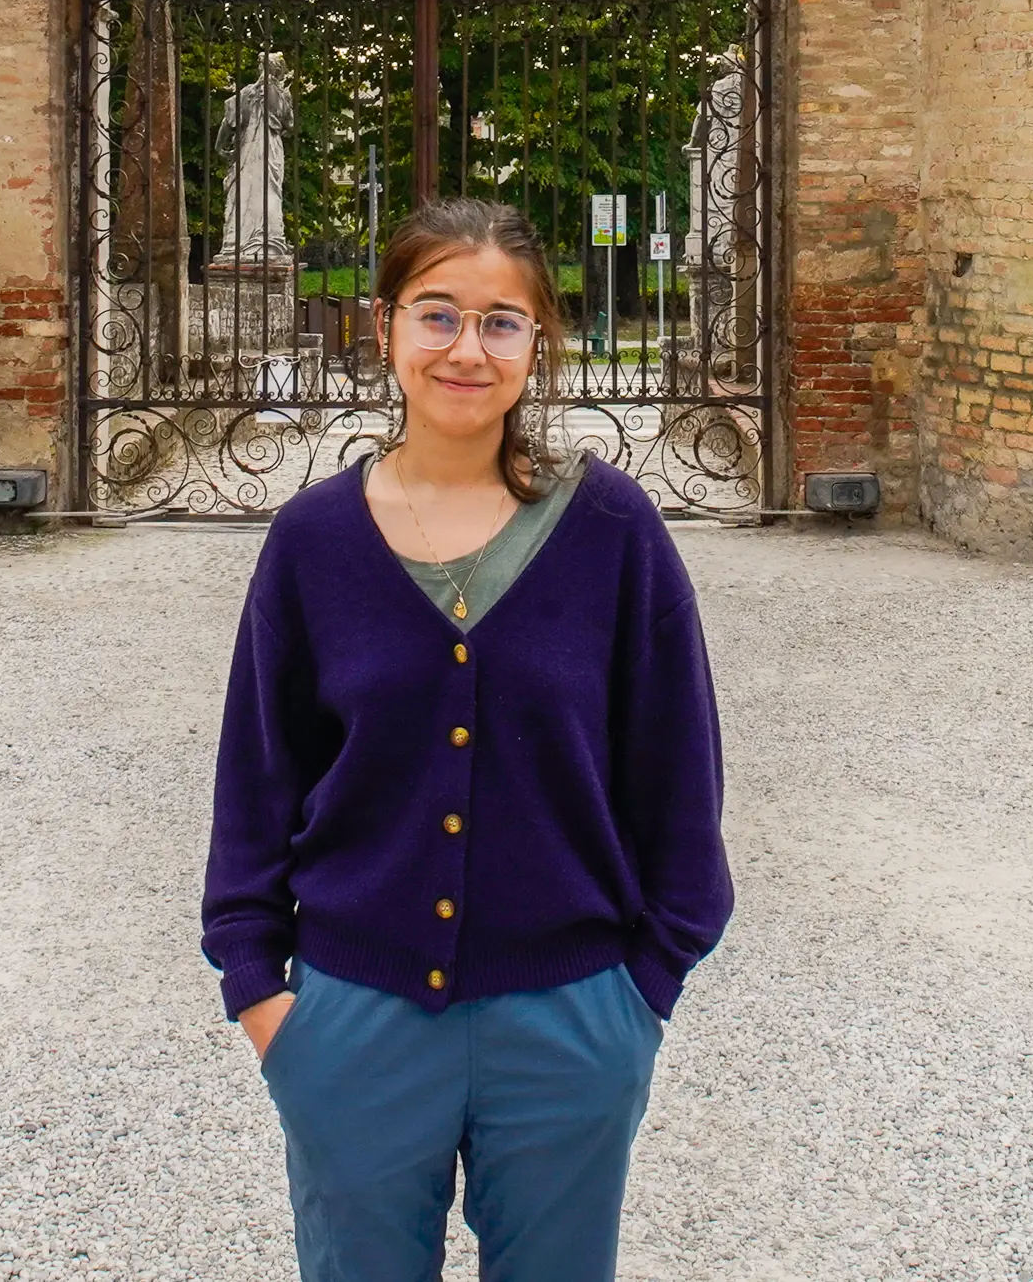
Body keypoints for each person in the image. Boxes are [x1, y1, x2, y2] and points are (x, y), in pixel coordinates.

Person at [202, 195, 734, 1282]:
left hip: (571, 1014)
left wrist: (644, 991)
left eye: (501, 321)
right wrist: (263, 995)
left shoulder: (611, 532)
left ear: (538, 343)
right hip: (356, 1015)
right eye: (437, 313)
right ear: (385, 324)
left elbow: (677, 775)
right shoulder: (311, 543)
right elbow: (258, 781)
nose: (466, 348)